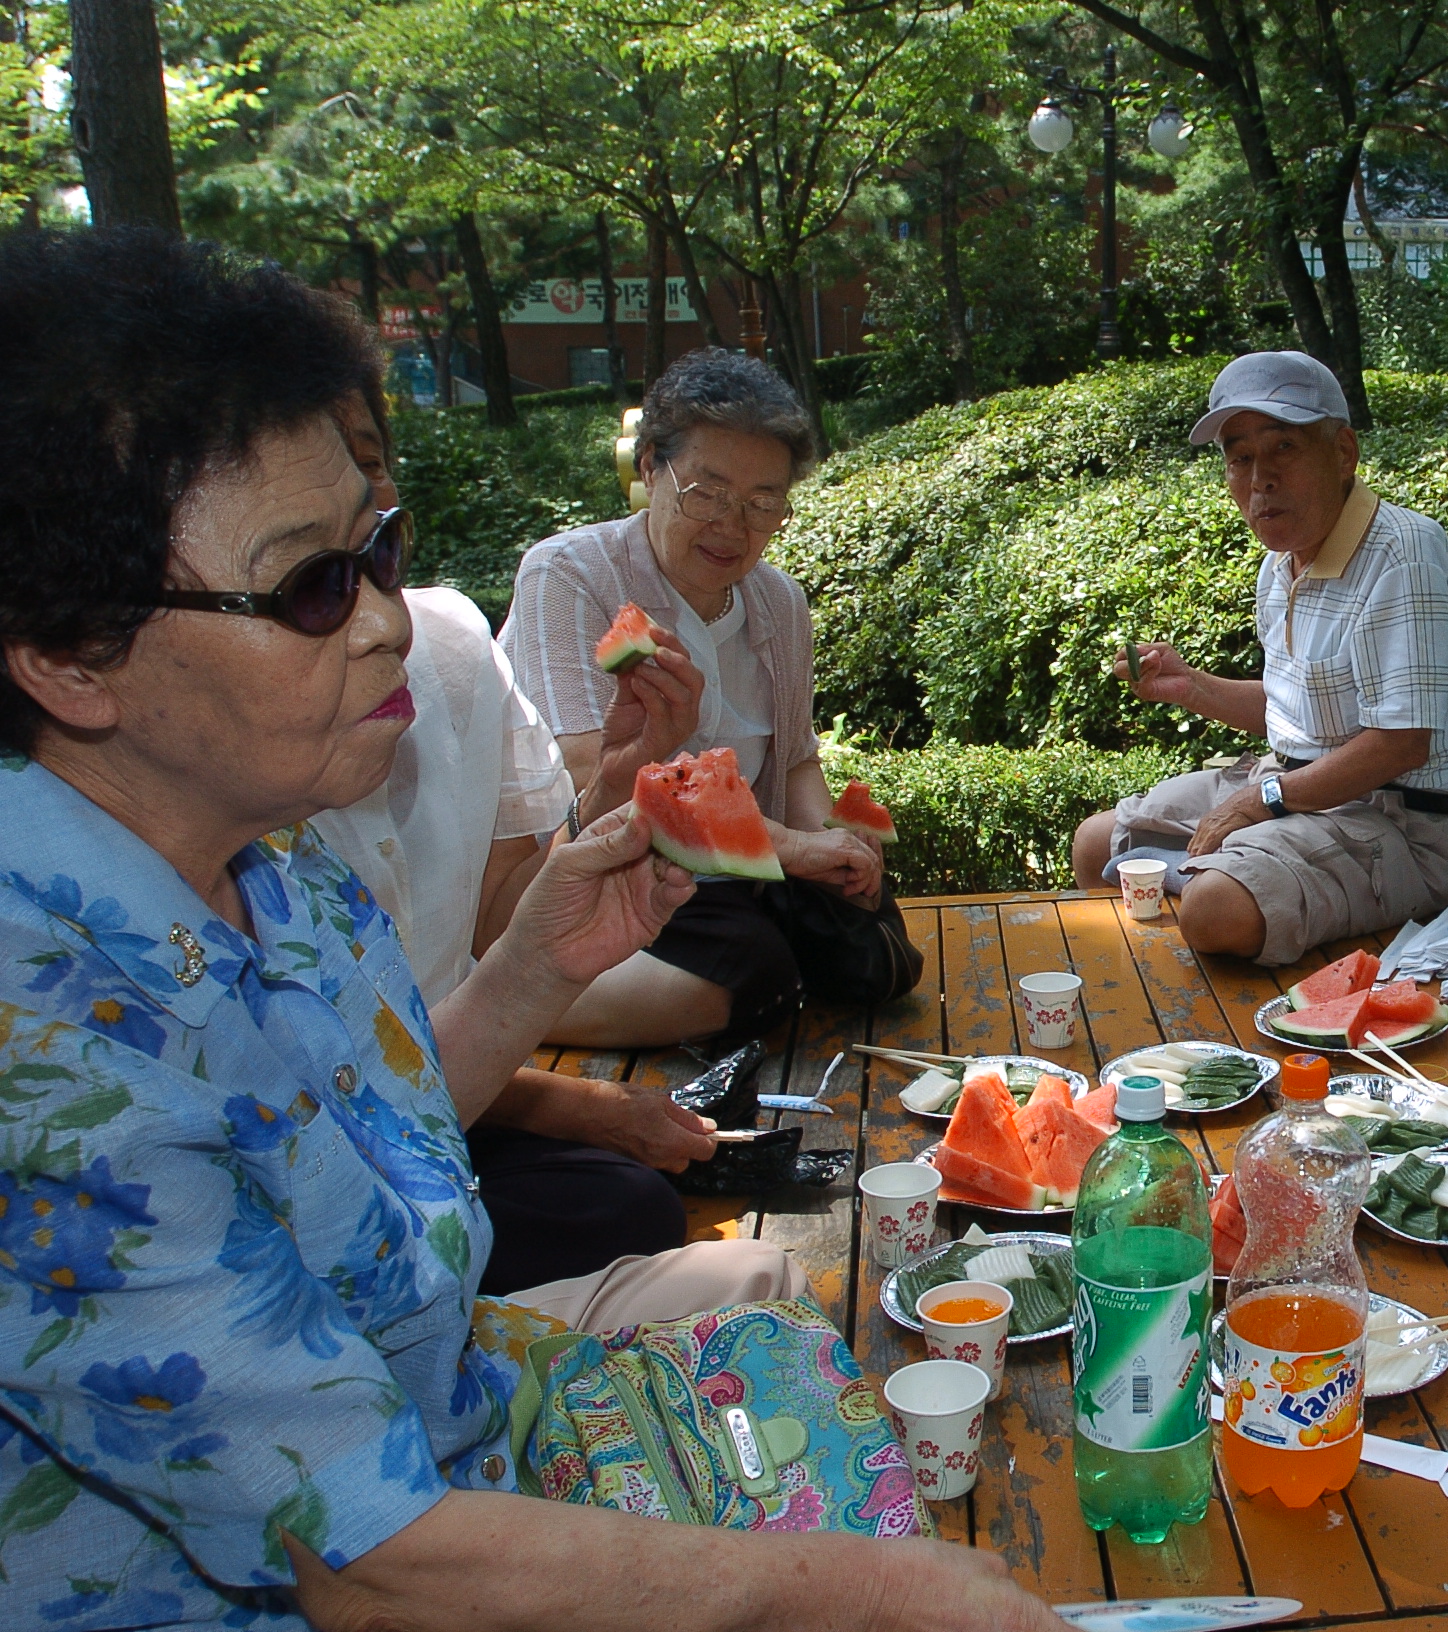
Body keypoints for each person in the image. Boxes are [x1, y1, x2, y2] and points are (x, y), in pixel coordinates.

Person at [0, 228, 1063, 1632]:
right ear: (73, 655)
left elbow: (362, 1132)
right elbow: (366, 1565)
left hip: (455, 1398)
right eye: (313, 585)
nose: (388, 622)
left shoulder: (272, 862)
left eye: (381, 550)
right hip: (321, 1572)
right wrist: (856, 1591)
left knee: (771, 1282)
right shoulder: (45, 1055)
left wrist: (538, 962)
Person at [314, 376, 717, 1294]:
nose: (377, 615)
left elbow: (500, 922)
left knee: (634, 1205)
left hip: (439, 1094)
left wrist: (618, 781)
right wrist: (584, 1106)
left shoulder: (450, 645)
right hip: (354, 1148)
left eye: (363, 468)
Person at [502, 348, 916, 1048]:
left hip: (745, 876)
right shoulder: (568, 575)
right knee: (753, 971)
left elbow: (794, 766)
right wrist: (788, 850)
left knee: (877, 960)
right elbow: (591, 778)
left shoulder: (778, 602)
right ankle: (502, 995)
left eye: (763, 503)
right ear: (650, 471)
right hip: (608, 869)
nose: (733, 526)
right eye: (707, 492)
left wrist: (836, 848)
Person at [1068, 350, 1448, 966]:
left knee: (1213, 908)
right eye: (1240, 458)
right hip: (1291, 792)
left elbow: (1401, 744)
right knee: (1096, 844)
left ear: (1343, 452)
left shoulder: (1405, 557)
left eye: (1282, 449)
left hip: (1397, 827)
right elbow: (1299, 712)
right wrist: (1192, 686)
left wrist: (1257, 802)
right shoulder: (1281, 565)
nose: (1259, 478)